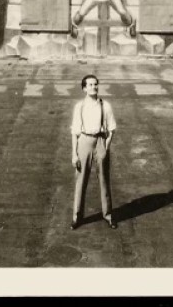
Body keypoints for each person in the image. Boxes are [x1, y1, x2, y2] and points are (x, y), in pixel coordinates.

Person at [71, 74, 117, 230]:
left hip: (100, 142)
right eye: (90, 85)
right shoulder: (79, 106)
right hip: (84, 141)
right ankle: (77, 217)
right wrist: (74, 154)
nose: (93, 87)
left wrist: (105, 147)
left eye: (95, 84)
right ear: (84, 88)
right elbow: (75, 132)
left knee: (104, 180)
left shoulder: (106, 106)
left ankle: (108, 215)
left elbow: (111, 129)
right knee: (81, 180)